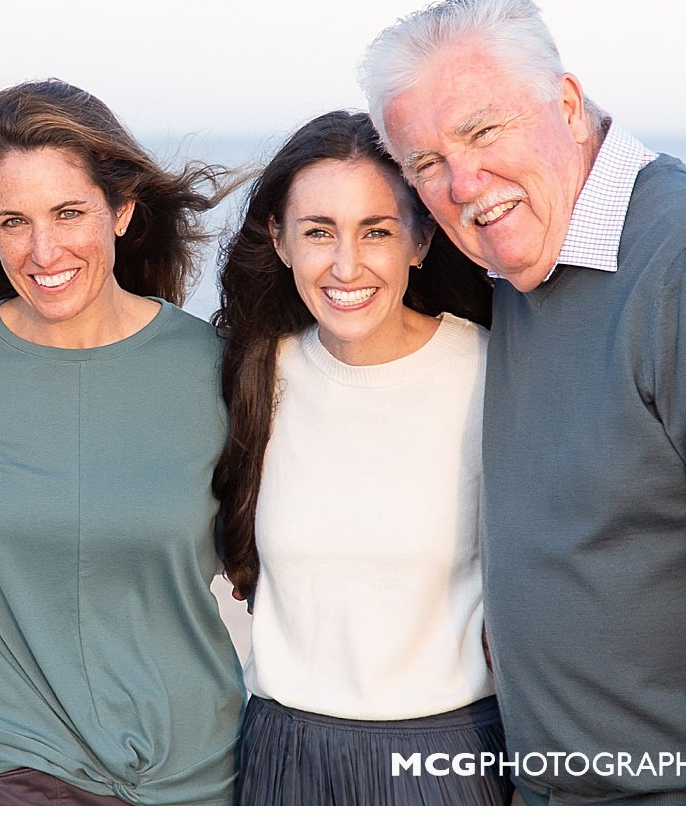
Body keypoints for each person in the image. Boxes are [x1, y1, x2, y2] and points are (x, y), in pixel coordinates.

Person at [359, 0, 686, 804]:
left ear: (565, 105)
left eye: (482, 129)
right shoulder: (517, 261)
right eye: (425, 162)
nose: (462, 181)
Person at [0, 79, 244, 805]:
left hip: (197, 768)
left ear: (123, 210)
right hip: (11, 764)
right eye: (14, 220)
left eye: (69, 212)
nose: (42, 248)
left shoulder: (215, 370)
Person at [212, 109, 505, 805]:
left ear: (422, 238)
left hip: (452, 755)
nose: (346, 265)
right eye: (319, 231)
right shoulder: (253, 375)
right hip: (285, 755)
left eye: (376, 230)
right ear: (280, 241)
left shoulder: (493, 370)